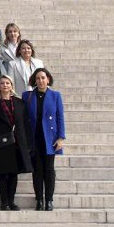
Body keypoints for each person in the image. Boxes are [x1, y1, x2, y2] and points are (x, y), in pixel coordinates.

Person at [0, 75, 32, 210]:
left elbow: (25, 124)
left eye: (7, 83)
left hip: (16, 143)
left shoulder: (19, 103)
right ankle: (4, 202)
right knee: (2, 173)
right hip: (1, 143)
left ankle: (11, 201)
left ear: (11, 86)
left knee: (13, 174)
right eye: (2, 83)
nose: (5, 85)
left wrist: (27, 144)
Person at [24, 68, 65, 211]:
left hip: (50, 138)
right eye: (38, 78)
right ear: (34, 80)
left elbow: (60, 117)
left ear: (48, 79)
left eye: (43, 78)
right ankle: (39, 200)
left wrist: (61, 137)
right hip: (34, 138)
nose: (41, 81)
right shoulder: (27, 96)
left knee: (49, 170)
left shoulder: (55, 95)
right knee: (37, 171)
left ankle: (49, 200)